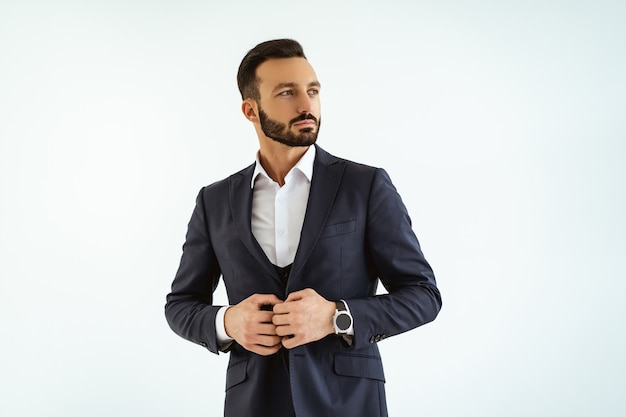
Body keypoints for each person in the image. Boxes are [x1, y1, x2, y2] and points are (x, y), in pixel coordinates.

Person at [165, 38, 442, 417]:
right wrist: (227, 321)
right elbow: (180, 305)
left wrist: (336, 316)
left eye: (312, 90)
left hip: (348, 403)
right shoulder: (215, 201)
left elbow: (423, 295)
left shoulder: (365, 186)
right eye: (286, 93)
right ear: (251, 110)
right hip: (252, 404)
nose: (306, 104)